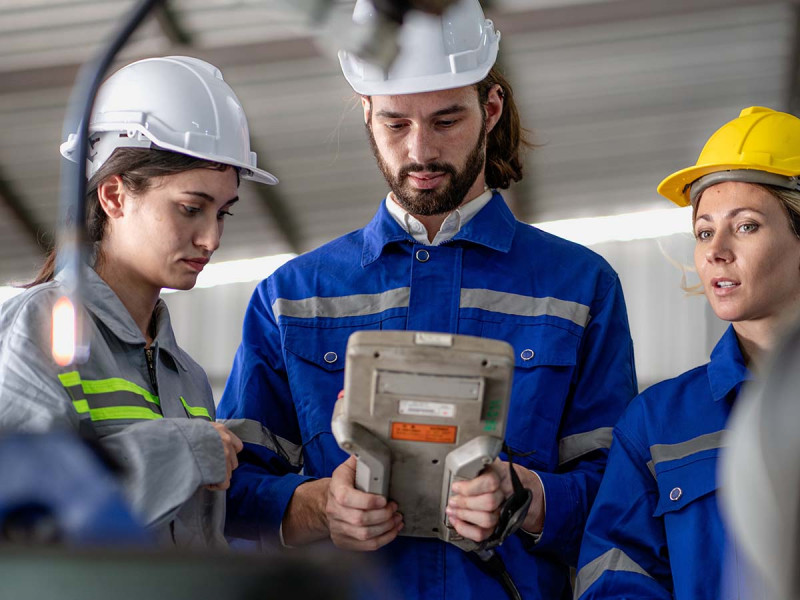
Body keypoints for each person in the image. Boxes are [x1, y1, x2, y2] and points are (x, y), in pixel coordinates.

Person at [218, 1, 636, 597]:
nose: (419, 152)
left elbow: (624, 493)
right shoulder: (290, 297)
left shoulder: (579, 286)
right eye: (395, 124)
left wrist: (530, 497)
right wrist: (320, 508)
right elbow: (232, 495)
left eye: (445, 121)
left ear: (489, 109)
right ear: (367, 113)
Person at [0, 55, 278, 548]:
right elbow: (25, 509)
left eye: (223, 214)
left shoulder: (188, 376)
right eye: (191, 209)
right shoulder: (39, 325)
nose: (211, 239)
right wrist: (184, 450)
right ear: (114, 196)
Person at [574, 106, 800, 600]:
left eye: (745, 226)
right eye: (703, 231)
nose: (716, 250)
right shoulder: (657, 423)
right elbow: (616, 577)